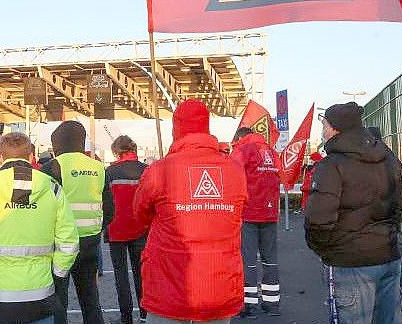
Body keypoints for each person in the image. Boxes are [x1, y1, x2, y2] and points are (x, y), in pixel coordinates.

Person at [134, 99, 247, 324]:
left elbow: (141, 214)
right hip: (220, 286)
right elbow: (237, 213)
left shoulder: (159, 170)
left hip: (169, 287)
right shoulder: (234, 169)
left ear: (176, 129)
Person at [306, 102, 402, 324]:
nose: (323, 131)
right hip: (389, 256)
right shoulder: (388, 158)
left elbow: (318, 220)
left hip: (349, 262)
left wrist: (327, 251)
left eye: (324, 125)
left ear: (335, 129)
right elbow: (401, 206)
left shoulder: (331, 165)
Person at [0, 132, 79, 324]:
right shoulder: (52, 188)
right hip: (40, 293)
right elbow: (68, 241)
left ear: (0, 156)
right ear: (31, 156)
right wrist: (57, 275)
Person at [41, 121, 112, 324]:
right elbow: (109, 209)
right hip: (90, 243)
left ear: (56, 145)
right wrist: (96, 228)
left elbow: (44, 209)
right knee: (90, 299)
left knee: (58, 300)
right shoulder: (99, 168)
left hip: (60, 245)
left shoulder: (52, 167)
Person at [230, 127, 281, 317]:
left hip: (248, 213)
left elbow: (231, 177)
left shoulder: (242, 150)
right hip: (270, 213)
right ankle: (272, 303)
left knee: (248, 261)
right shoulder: (270, 151)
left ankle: (248, 305)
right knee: (270, 260)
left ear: (241, 137)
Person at [105, 136, 148, 324]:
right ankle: (145, 314)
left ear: (116, 151)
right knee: (141, 275)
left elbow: (105, 203)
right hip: (141, 228)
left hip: (116, 230)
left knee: (120, 276)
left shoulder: (110, 172)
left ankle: (126, 317)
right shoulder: (146, 170)